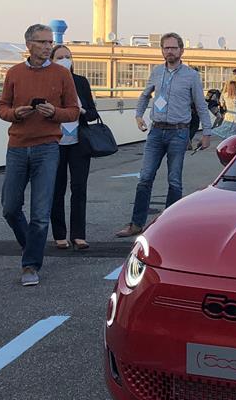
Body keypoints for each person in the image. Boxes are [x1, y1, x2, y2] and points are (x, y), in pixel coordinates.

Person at [0, 24, 80, 286]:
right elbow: (2, 107)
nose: (47, 47)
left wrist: (53, 112)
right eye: (42, 42)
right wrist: (15, 113)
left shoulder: (62, 74)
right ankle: (31, 245)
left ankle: (30, 265)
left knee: (41, 212)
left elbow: (74, 111)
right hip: (18, 146)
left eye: (49, 42)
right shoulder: (14, 73)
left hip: (47, 147)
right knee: (10, 208)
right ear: (29, 44)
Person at [115, 33, 212, 238]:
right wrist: (138, 115)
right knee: (145, 178)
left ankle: (170, 226)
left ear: (181, 50)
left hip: (179, 132)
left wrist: (207, 133)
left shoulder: (191, 76)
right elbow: (144, 95)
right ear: (161, 50)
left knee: (174, 180)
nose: (169, 51)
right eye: (166, 48)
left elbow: (201, 105)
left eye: (173, 48)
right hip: (156, 131)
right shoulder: (157, 72)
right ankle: (136, 223)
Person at [50, 45, 101, 251]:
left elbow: (92, 113)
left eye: (68, 57)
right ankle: (60, 234)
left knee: (79, 189)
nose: (64, 60)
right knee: (57, 189)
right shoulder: (49, 81)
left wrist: (80, 110)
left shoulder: (80, 82)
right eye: (60, 57)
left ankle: (79, 235)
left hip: (79, 142)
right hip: (55, 142)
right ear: (52, 60)